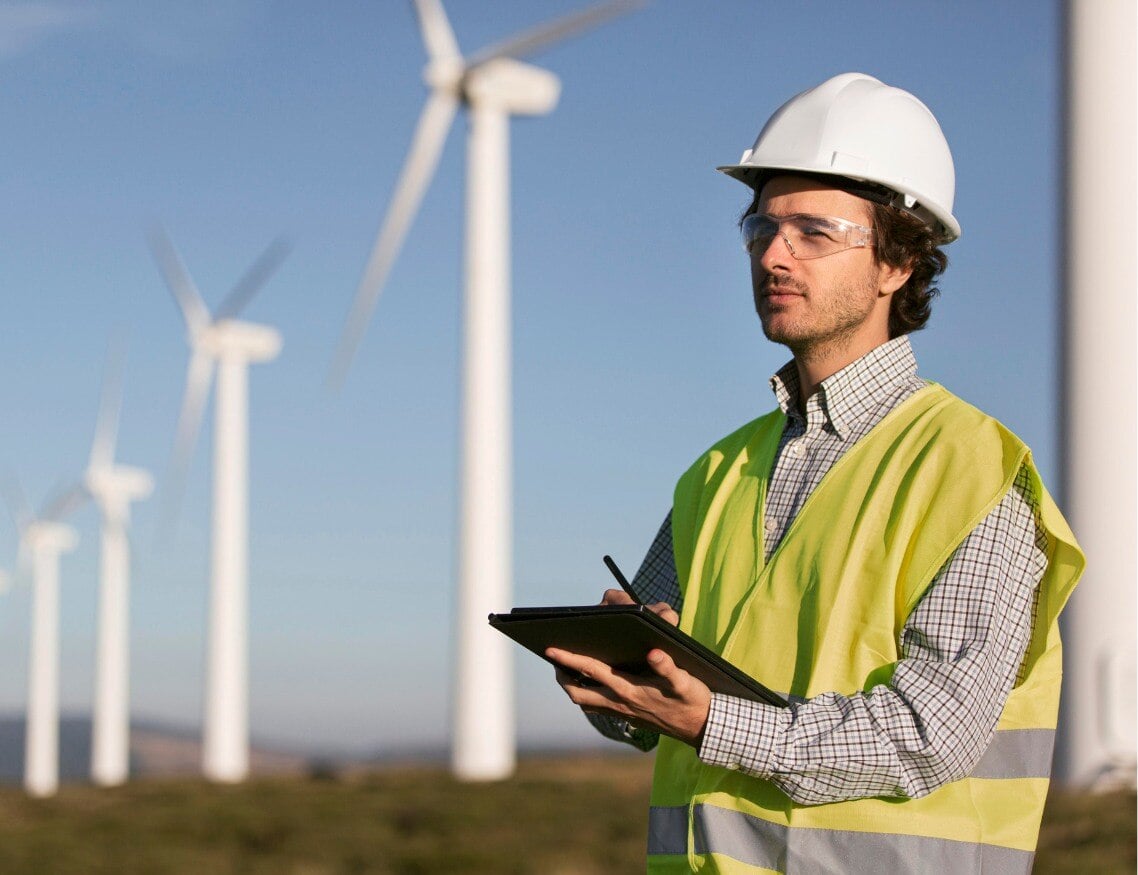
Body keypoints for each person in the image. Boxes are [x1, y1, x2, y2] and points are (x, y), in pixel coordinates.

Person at [545, 72, 1085, 874]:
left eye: (814, 232)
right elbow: (663, 709)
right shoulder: (716, 471)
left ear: (897, 263)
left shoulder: (974, 467)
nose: (773, 253)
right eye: (761, 227)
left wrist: (711, 722)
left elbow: (931, 731)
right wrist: (620, 686)